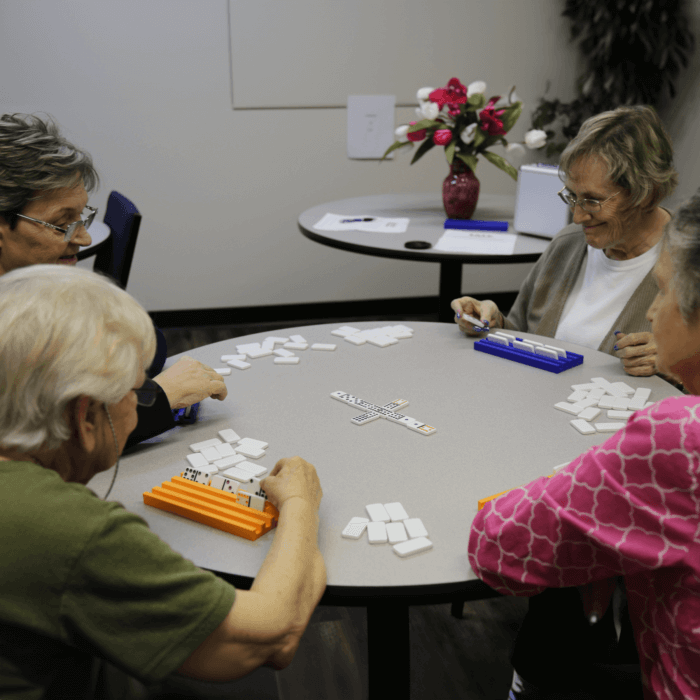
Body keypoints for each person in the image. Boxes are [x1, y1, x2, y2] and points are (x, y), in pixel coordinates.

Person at [0, 265, 326, 699]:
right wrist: (301, 504)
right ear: (85, 416)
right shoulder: (73, 531)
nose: (142, 404)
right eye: (138, 392)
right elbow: (270, 636)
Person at [468, 190, 700, 699]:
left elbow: (495, 544)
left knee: (548, 648)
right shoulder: (567, 246)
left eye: (662, 295)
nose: (654, 313)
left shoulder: (676, 436)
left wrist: (567, 481)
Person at [0, 112, 225, 450]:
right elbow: (48, 443)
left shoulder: (30, 291)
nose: (85, 239)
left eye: (82, 217)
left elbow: (148, 345)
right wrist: (161, 397)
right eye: (62, 223)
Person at [451, 105, 678, 378]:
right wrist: (492, 321)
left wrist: (676, 361)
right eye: (572, 196)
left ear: (647, 195)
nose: (578, 216)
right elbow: (523, 334)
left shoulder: (688, 263)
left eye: (592, 200)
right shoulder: (568, 244)